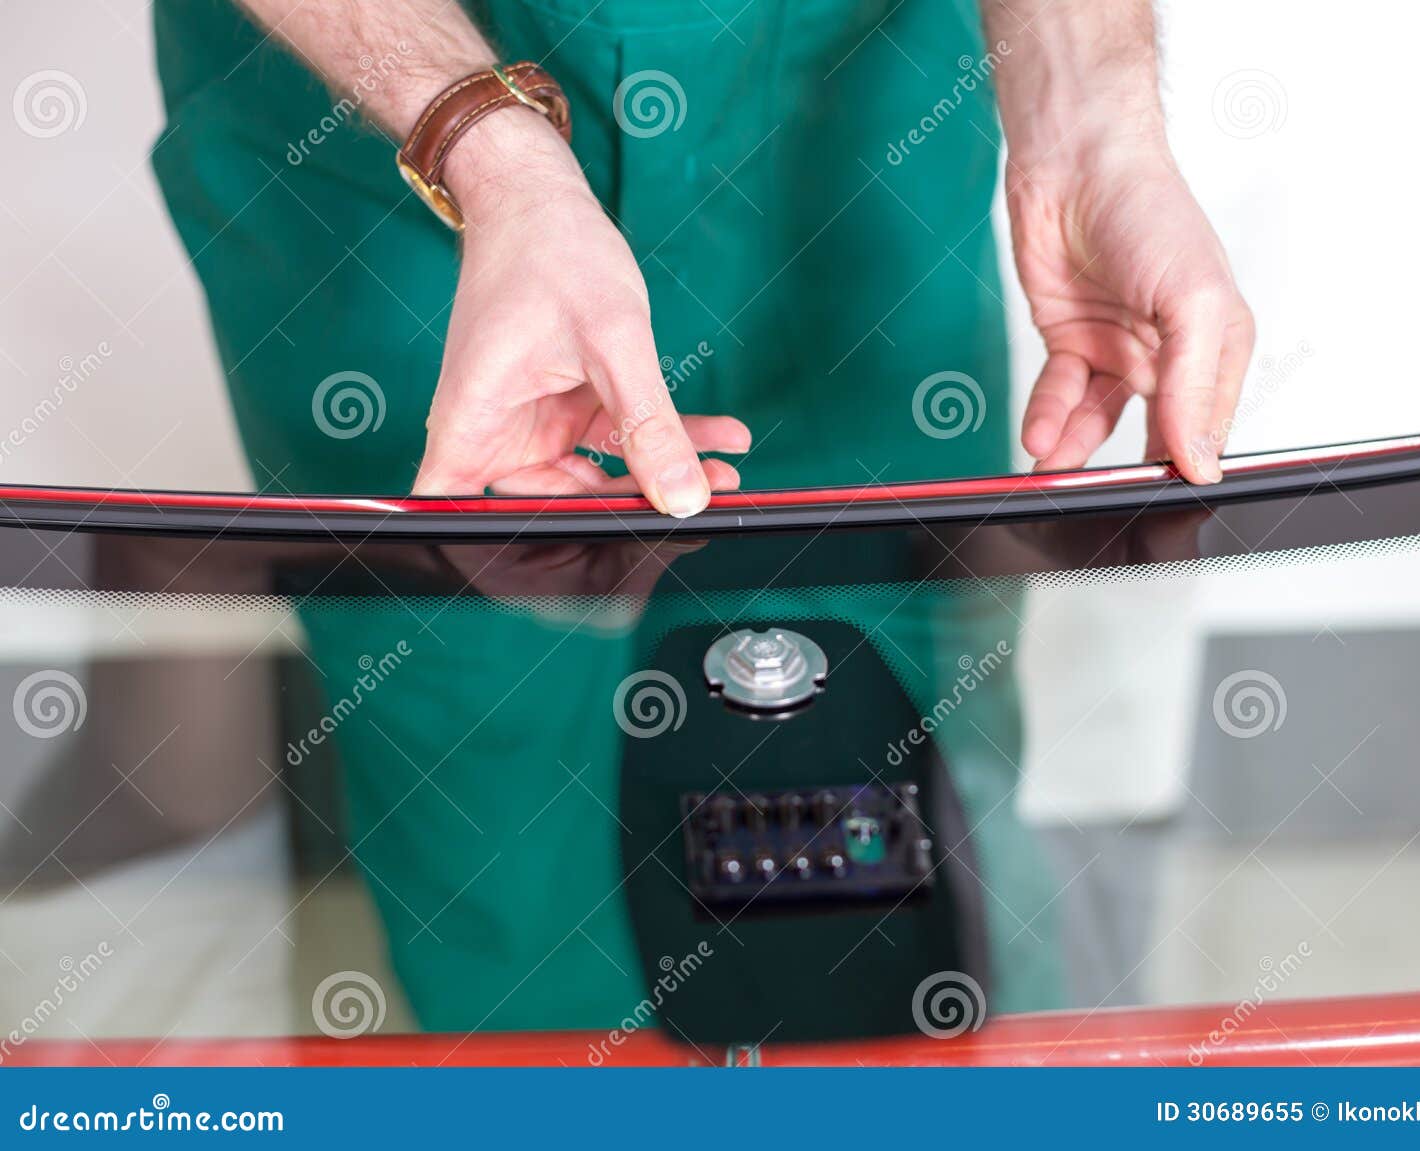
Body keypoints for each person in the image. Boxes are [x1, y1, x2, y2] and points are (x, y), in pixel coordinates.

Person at [148, 0, 1252, 1034]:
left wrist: (1091, 122)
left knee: (902, 754)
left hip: (850, 134)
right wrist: (482, 143)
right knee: (493, 789)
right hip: (389, 158)